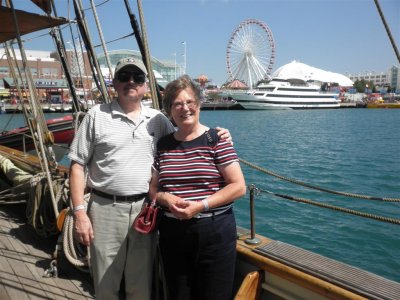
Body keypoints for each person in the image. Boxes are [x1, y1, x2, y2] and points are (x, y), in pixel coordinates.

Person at [68, 58, 231, 300]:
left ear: (146, 85)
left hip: (145, 209)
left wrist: (219, 134)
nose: (131, 82)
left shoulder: (157, 120)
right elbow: (77, 166)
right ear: (114, 83)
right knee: (105, 284)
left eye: (138, 77)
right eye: (124, 77)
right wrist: (80, 213)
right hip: (105, 209)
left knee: (141, 285)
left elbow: (186, 133)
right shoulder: (96, 116)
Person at [149, 75, 246, 300]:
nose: (185, 108)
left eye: (190, 102)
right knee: (178, 294)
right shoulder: (164, 145)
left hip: (213, 232)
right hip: (172, 234)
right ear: (170, 110)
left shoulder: (216, 139)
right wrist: (164, 198)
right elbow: (153, 189)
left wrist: (200, 206)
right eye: (178, 104)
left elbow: (238, 186)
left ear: (199, 104)